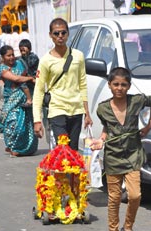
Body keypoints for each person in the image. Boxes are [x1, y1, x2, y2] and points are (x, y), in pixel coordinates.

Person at [90, 67, 151, 231]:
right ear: (109, 85)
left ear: (128, 86)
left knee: (135, 195)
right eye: (116, 84)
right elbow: (107, 129)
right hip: (113, 156)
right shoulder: (102, 108)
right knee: (113, 198)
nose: (119, 88)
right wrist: (100, 141)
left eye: (123, 84)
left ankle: (128, 228)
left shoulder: (137, 101)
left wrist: (149, 126)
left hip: (133, 154)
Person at [32, 17, 93, 150]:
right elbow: (39, 90)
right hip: (57, 109)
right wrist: (37, 120)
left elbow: (82, 84)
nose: (60, 36)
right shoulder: (45, 61)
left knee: (73, 149)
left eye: (63, 33)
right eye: (56, 33)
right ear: (51, 35)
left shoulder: (78, 56)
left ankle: (71, 172)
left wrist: (87, 113)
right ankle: (62, 171)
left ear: (67, 34)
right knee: (63, 148)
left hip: (76, 109)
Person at [0, 45, 38, 156]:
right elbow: (16, 78)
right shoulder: (2, 68)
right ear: (3, 57)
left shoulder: (19, 63)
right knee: (12, 123)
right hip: (11, 98)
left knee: (26, 123)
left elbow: (23, 76)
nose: (11, 57)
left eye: (12, 55)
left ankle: (25, 149)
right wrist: (29, 78)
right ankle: (12, 146)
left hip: (23, 98)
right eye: (8, 55)